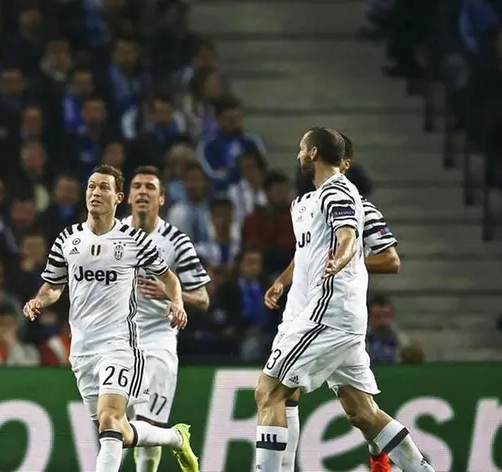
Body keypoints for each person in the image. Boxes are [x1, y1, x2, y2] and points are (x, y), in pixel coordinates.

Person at [253, 128, 434, 472]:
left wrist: (343, 258)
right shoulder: (304, 203)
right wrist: (281, 282)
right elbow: (307, 252)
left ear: (314, 153)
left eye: (301, 149)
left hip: (327, 315)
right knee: (361, 412)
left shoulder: (342, 194)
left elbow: (354, 240)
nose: (297, 155)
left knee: (269, 391)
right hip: (312, 314)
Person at [23, 165, 200, 472]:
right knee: (117, 431)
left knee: (109, 420)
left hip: (119, 345)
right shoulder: (68, 238)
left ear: (118, 197)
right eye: (91, 186)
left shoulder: (134, 240)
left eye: (104, 187)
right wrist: (39, 300)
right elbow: (53, 286)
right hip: (82, 349)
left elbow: (169, 278)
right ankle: (175, 438)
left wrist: (177, 302)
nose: (95, 192)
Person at [121, 166, 211, 472]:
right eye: (137, 186)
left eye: (150, 187)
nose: (142, 192)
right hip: (117, 341)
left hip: (158, 341)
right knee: (112, 425)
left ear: (161, 199)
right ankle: (175, 438)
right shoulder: (111, 235)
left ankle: (172, 439)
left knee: (146, 430)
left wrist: (170, 293)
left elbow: (203, 299)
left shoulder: (177, 241)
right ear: (127, 196)